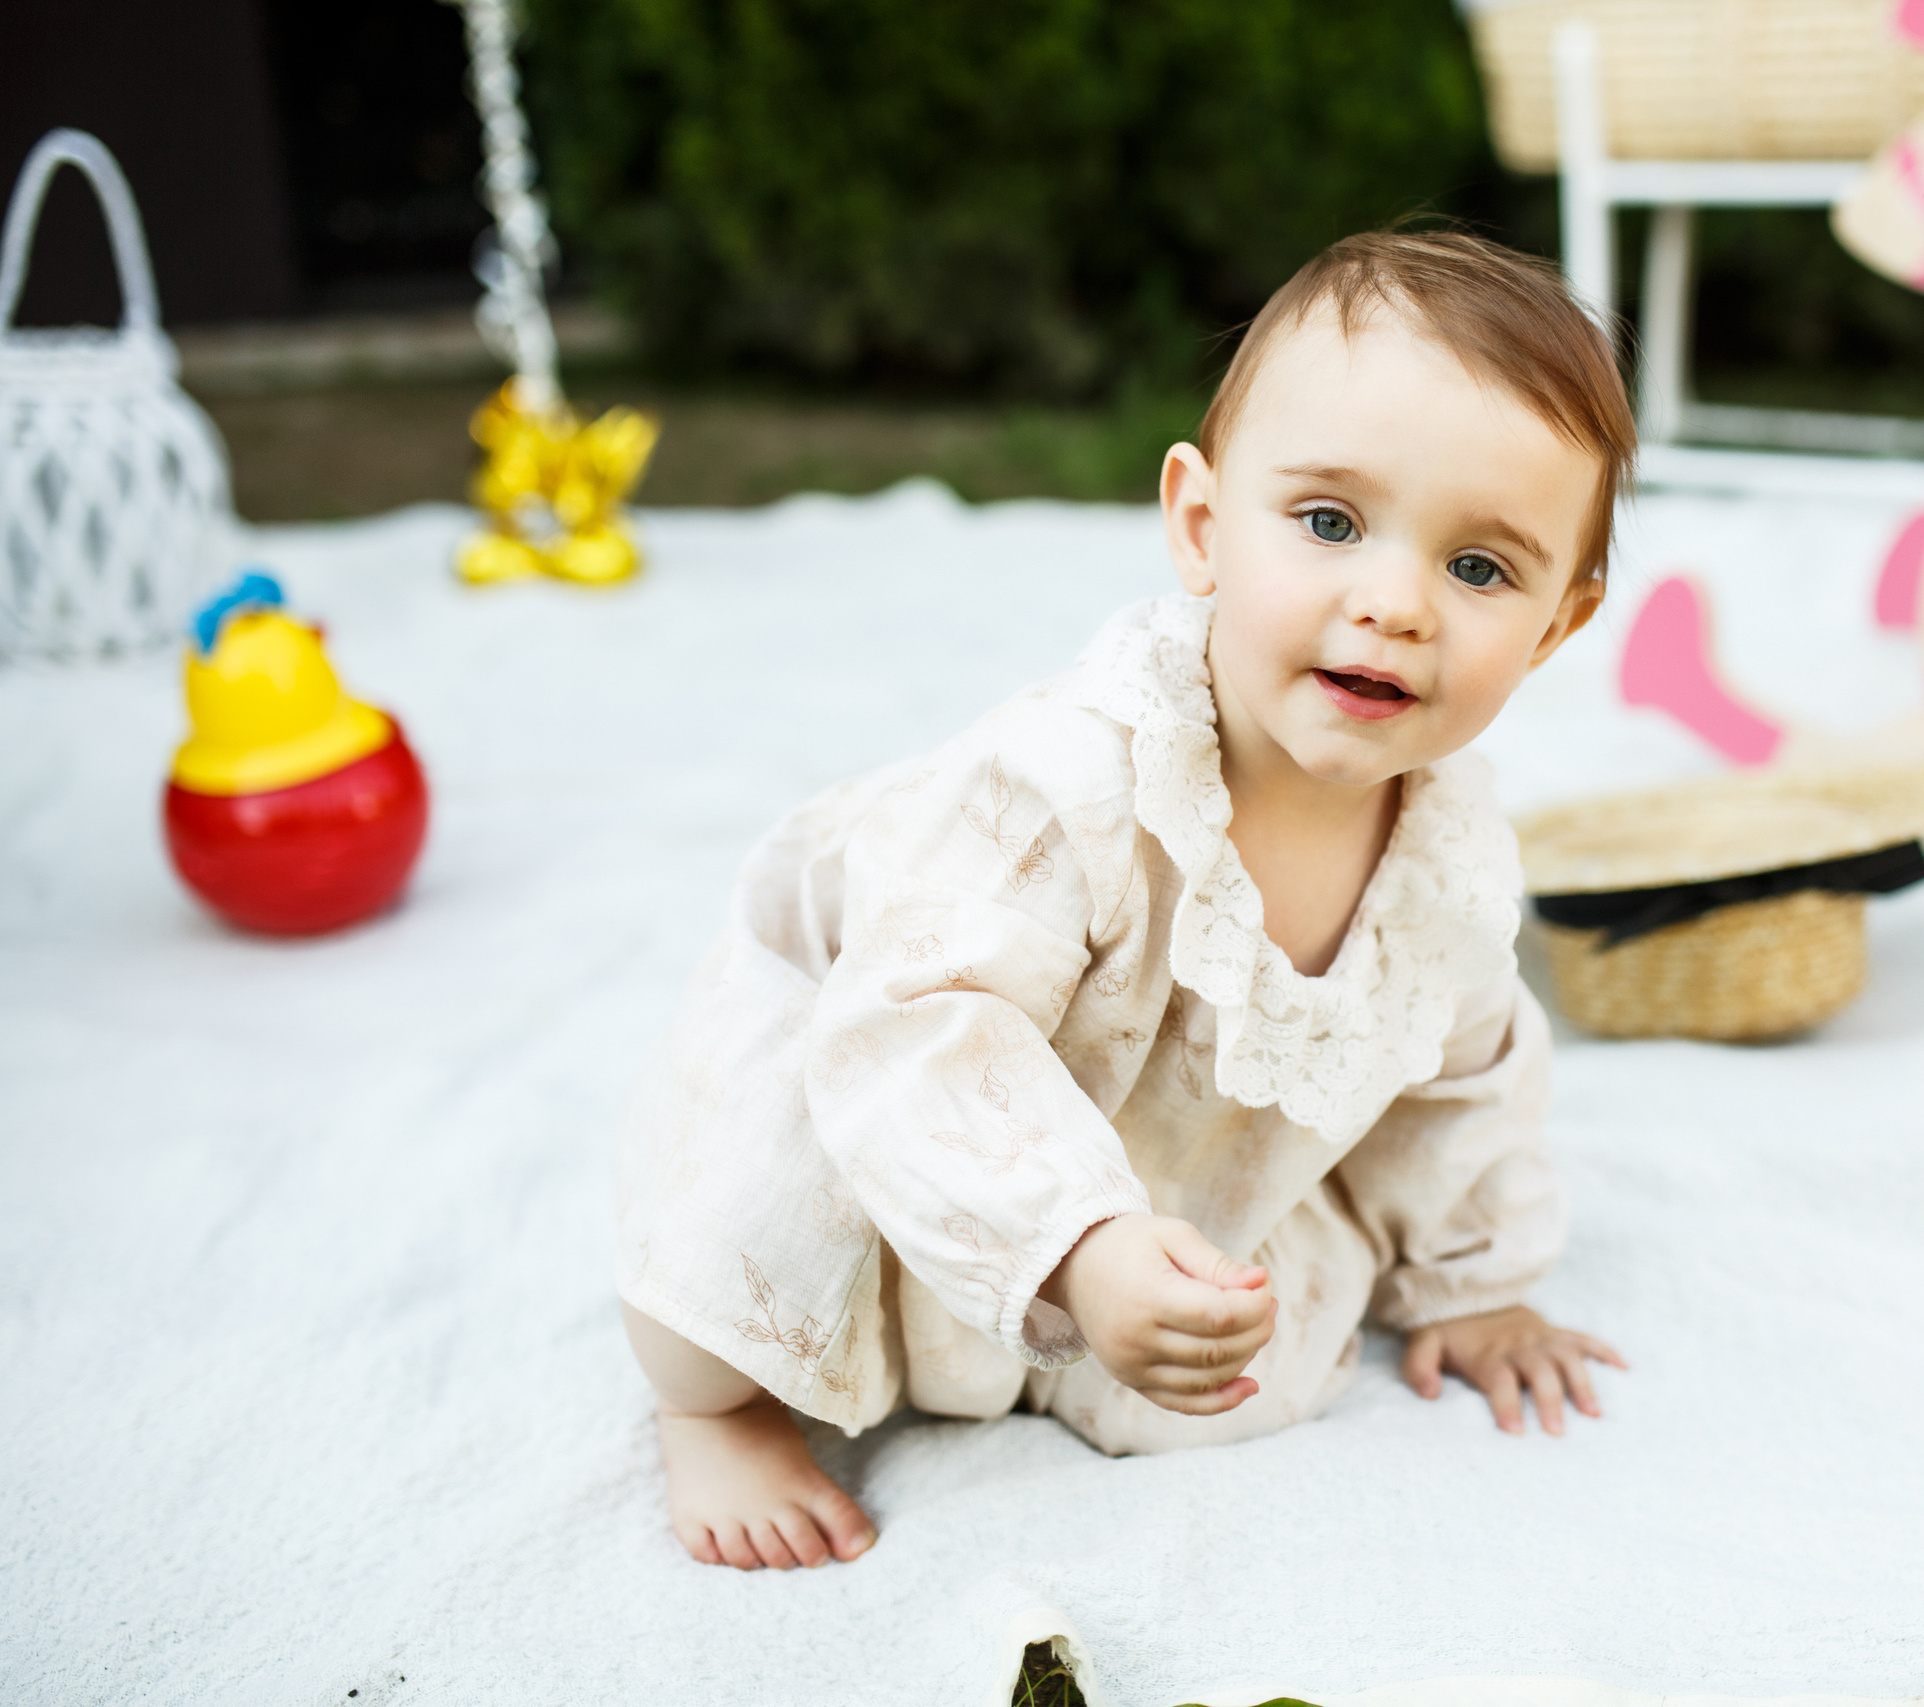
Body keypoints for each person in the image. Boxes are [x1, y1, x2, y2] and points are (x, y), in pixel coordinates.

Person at [616, 229, 1637, 1572]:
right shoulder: (1071, 785)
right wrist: (1078, 1242)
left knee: (1251, 1368)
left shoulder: (1440, 857)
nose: (1394, 603)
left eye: (1480, 569)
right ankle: (721, 1417)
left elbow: (1458, 1075)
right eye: (1329, 523)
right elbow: (925, 1032)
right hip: (887, 1052)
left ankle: (1077, 1319)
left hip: (1135, 1136)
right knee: (729, 1282)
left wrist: (1478, 1284)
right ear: (1203, 527)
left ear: (1560, 621)